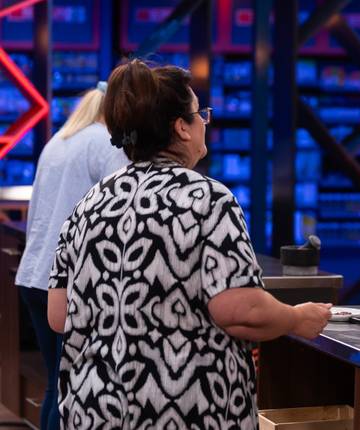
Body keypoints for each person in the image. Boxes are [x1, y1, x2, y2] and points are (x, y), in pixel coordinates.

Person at [47, 60, 332, 429]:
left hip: (94, 410)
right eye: (200, 114)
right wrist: (296, 318)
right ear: (181, 127)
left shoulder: (89, 204)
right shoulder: (208, 200)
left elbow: (59, 314)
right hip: (185, 410)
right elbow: (240, 309)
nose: (204, 124)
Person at [15, 81, 129, 430]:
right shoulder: (106, 144)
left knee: (56, 383)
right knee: (70, 389)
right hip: (69, 281)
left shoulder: (58, 142)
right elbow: (123, 209)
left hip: (34, 274)